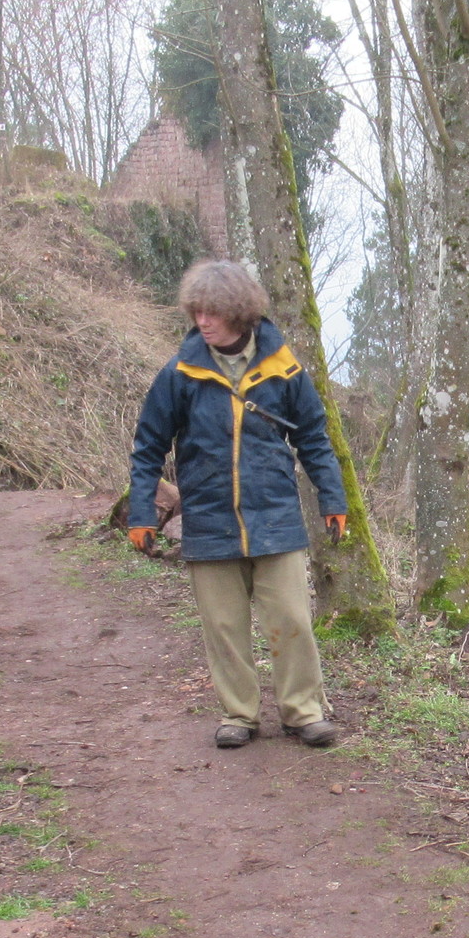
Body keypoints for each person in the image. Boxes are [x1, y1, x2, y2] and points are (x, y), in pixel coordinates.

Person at [128, 259, 349, 749]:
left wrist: (332, 499)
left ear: (240, 312)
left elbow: (314, 439)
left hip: (276, 516)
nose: (203, 321)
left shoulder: (283, 367)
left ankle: (303, 712)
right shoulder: (180, 373)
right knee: (223, 626)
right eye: (196, 312)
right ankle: (239, 715)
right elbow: (148, 448)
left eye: (213, 312)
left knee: (292, 620)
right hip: (209, 519)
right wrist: (142, 513)